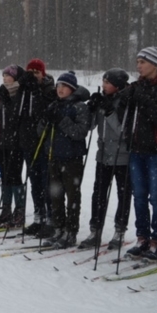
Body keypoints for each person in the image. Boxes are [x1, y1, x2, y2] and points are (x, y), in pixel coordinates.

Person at [120, 47, 157, 260]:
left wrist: (145, 100)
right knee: (138, 196)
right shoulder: (137, 86)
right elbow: (121, 111)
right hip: (136, 149)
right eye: (137, 61)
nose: (138, 65)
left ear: (155, 64)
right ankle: (142, 238)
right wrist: (122, 99)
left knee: (156, 197)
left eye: (143, 61)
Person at [78, 68, 131, 250]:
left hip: (122, 155)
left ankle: (119, 230)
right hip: (103, 155)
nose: (103, 85)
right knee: (99, 193)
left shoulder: (126, 101)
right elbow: (91, 127)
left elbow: (123, 132)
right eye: (103, 81)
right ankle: (95, 230)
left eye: (107, 82)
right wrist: (91, 109)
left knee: (123, 194)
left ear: (117, 85)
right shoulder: (103, 100)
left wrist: (109, 113)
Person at [38, 71, 90, 249]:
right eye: (58, 86)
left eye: (64, 86)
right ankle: (59, 228)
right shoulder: (54, 105)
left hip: (71, 158)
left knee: (72, 195)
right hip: (54, 156)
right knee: (55, 195)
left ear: (72, 89)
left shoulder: (79, 106)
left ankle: (71, 231)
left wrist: (62, 121)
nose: (60, 89)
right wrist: (45, 120)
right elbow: (41, 133)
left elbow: (80, 132)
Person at [17, 58, 57, 237]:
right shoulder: (25, 90)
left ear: (43, 73)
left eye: (37, 73)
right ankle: (38, 217)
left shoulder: (49, 89)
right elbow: (19, 111)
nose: (34, 76)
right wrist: (24, 88)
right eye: (30, 73)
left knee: (45, 181)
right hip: (28, 141)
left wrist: (36, 90)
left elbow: (44, 111)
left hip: (44, 141)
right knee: (34, 182)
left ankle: (50, 219)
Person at [0, 65, 27, 228]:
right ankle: (6, 209)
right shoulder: (3, 95)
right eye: (3, 75)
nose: (5, 78)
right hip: (2, 141)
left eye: (8, 76)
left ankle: (19, 212)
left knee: (14, 177)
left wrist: (9, 99)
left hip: (16, 143)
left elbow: (17, 116)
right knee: (4, 176)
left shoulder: (21, 94)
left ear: (16, 77)